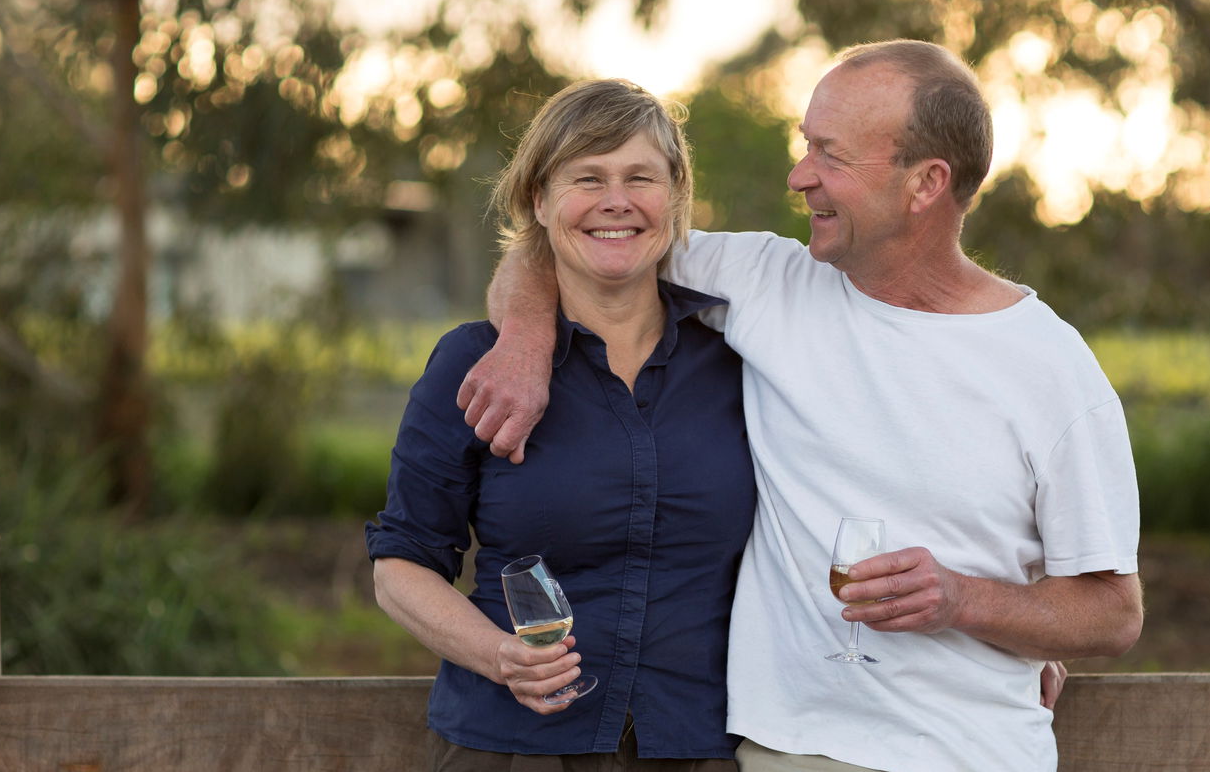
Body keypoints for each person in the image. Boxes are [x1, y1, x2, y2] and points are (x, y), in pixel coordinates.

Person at [460, 40, 1144, 772]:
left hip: (972, 754)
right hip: (787, 751)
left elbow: (1111, 610)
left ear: (926, 183)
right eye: (804, 145)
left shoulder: (1049, 366)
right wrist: (527, 344)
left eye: (831, 155)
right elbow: (573, 238)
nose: (799, 175)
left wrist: (965, 600)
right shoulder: (764, 284)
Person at [365, 78, 754, 770]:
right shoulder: (473, 362)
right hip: (513, 747)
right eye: (587, 178)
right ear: (539, 201)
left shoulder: (741, 360)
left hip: (698, 744)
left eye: (642, 177)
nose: (617, 200)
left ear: (675, 197)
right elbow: (401, 565)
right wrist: (501, 656)